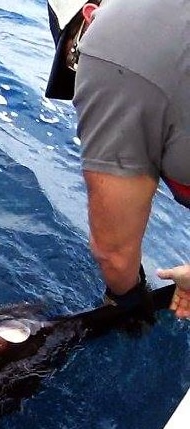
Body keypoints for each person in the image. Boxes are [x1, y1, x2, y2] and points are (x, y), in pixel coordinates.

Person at [45, 0, 190, 320]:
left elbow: (113, 254)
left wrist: (129, 304)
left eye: (73, 59)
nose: (80, 74)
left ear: (89, 16)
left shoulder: (112, 39)